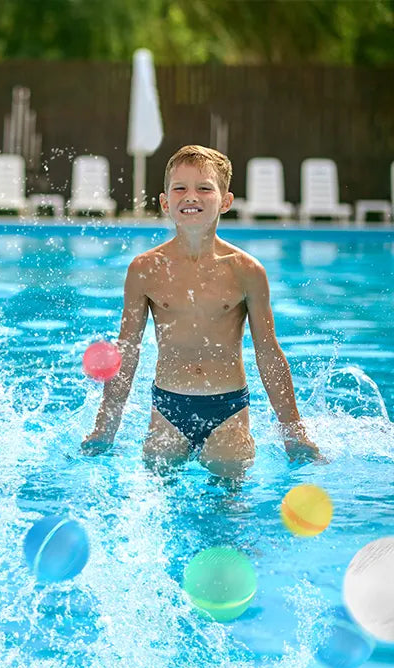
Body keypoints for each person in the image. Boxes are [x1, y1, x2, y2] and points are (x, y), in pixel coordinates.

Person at [82, 144, 321, 479]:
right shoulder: (145, 269)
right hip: (167, 409)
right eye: (179, 188)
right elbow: (128, 352)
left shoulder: (246, 271)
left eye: (204, 188)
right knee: (158, 486)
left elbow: (268, 353)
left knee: (229, 490)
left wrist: (295, 434)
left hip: (228, 410)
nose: (190, 196)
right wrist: (104, 430)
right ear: (165, 202)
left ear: (225, 201)